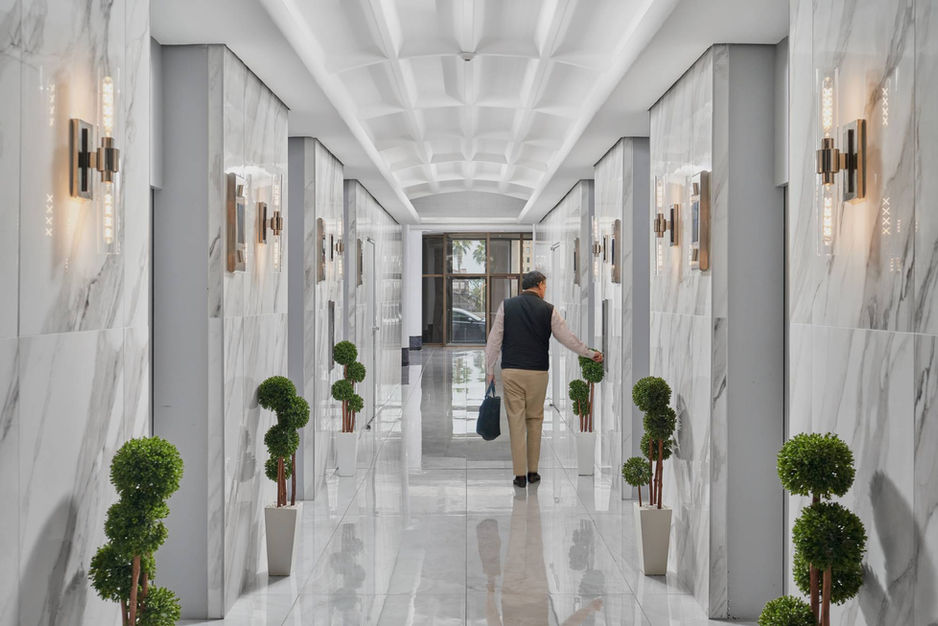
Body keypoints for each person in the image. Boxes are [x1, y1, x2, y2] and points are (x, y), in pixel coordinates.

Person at [485, 270, 603, 488]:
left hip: (512, 371)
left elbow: (494, 340)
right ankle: (533, 472)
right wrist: (588, 353)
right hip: (538, 373)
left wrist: (490, 370)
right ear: (539, 285)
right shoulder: (549, 310)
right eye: (545, 285)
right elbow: (568, 338)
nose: (545, 289)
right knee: (535, 420)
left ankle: (519, 475)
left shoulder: (506, 306)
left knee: (516, 421)